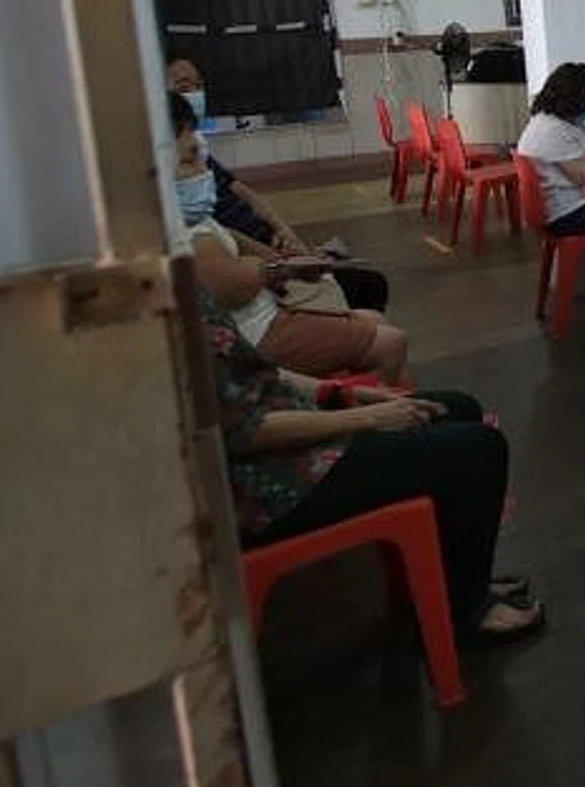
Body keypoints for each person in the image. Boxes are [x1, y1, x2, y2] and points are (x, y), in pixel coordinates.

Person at [195, 285, 545, 645]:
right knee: (481, 451)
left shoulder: (181, 289)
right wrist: (365, 418)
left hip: (286, 442)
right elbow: (242, 433)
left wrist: (339, 393)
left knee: (460, 407)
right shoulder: (169, 324)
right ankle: (465, 616)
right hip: (269, 485)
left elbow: (261, 374)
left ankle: (458, 583)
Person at [170, 93, 410, 382]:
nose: (203, 172)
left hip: (270, 303)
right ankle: (377, 409)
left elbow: (243, 237)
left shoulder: (197, 216)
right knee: (391, 341)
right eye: (190, 160)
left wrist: (288, 254)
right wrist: (275, 268)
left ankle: (391, 403)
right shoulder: (185, 233)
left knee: (375, 318)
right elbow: (239, 285)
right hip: (260, 332)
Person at [166, 58, 390, 313]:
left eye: (199, 86)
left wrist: (287, 234)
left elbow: (244, 193)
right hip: (261, 267)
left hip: (274, 251)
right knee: (369, 286)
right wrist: (286, 262)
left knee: (353, 270)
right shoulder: (180, 183)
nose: (195, 94)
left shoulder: (202, 155)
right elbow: (229, 243)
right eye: (184, 87)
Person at [516, 62, 585, 236]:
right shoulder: (552, 130)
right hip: (567, 215)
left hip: (571, 204)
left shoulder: (562, 122)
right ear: (572, 97)